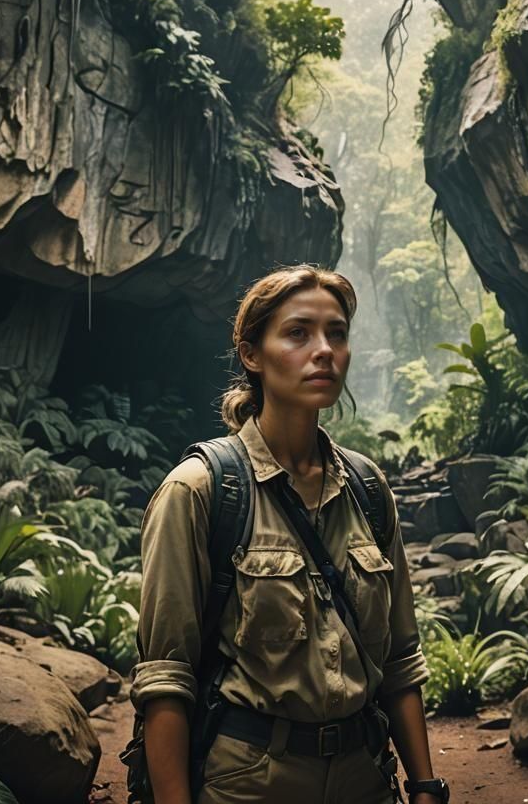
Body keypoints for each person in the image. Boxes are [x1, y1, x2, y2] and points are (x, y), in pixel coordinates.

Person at [129, 264, 449, 804]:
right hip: (247, 783)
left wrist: (424, 786)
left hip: (362, 778)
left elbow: (399, 658)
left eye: (337, 333)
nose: (324, 349)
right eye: (298, 333)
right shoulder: (202, 490)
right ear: (252, 354)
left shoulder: (368, 489)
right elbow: (166, 677)